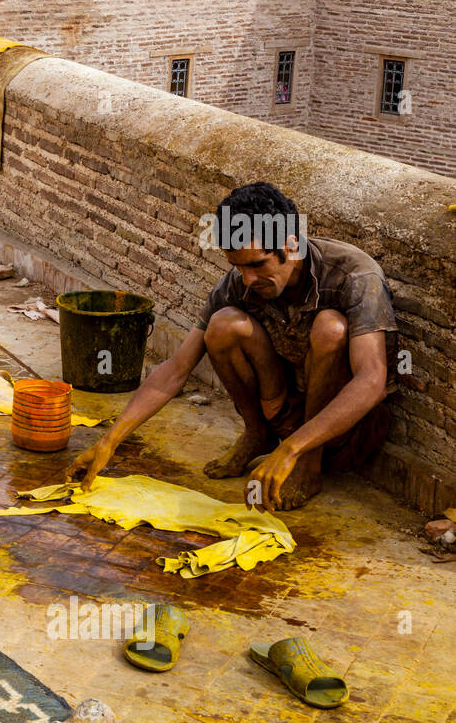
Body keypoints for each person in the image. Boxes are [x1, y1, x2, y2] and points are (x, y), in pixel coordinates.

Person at [67, 182, 395, 510]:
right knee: (222, 324)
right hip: (284, 411)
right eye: (237, 266)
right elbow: (176, 370)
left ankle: (309, 465)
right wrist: (109, 442)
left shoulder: (354, 276)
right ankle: (256, 436)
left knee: (330, 329)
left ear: (291, 246)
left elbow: (372, 381)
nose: (247, 278)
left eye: (257, 265)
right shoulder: (239, 283)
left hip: (343, 434)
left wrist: (292, 450)